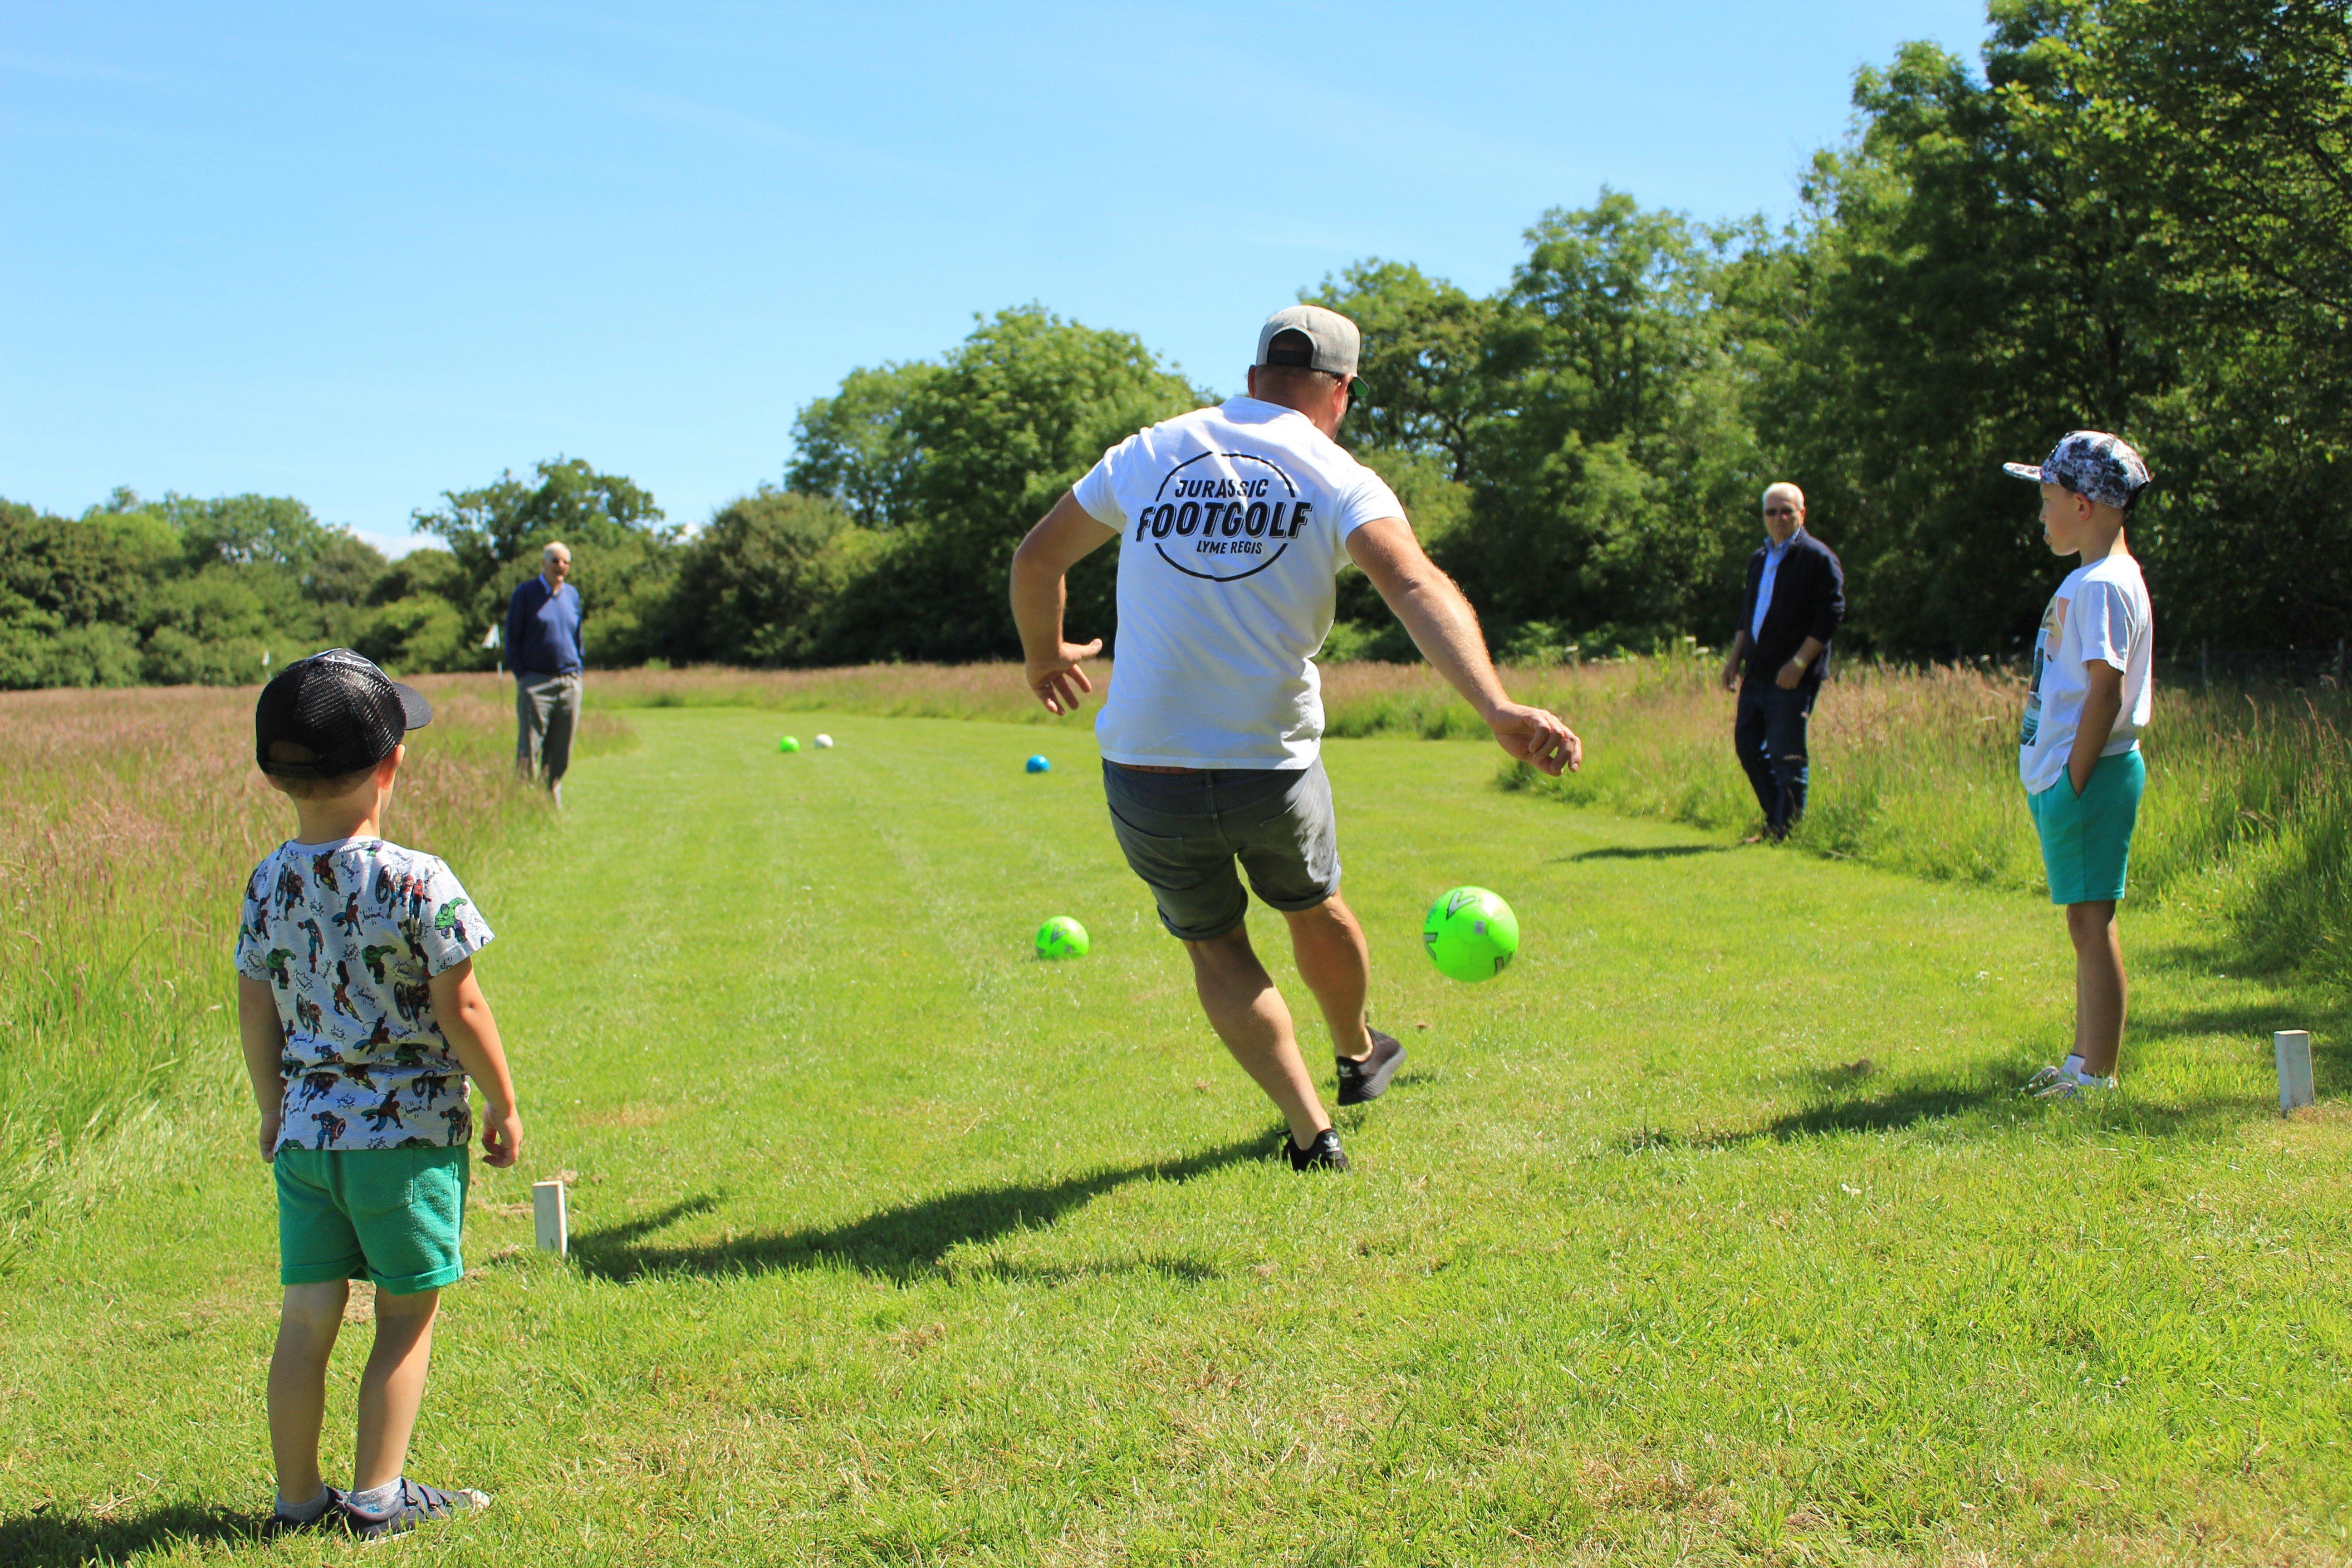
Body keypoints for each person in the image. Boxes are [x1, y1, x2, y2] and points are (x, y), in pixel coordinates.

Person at [1009, 305, 1582, 1172]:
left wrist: (1043, 655)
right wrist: (1496, 706)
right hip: (1267, 764)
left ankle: (1312, 1131)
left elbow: (1036, 558)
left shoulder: (1150, 450)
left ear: (1252, 380)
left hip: (1146, 763)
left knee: (1215, 946)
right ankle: (1356, 1051)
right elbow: (1413, 585)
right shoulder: (1335, 472)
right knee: (1313, 906)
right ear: (1341, 393)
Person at [234, 648, 524, 1539]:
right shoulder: (418, 878)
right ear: (392, 761)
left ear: (274, 772)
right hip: (406, 1145)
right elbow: (461, 1006)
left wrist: (273, 1107)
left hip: (308, 1141)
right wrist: (504, 1101)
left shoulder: (268, 880)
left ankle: (295, 1502)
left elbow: (255, 1003)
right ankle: (377, 1498)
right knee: (404, 1316)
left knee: (305, 1319)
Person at [2003, 431, 2155, 1099]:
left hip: (2090, 778)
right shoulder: (2092, 581)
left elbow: (2106, 690)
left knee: (2092, 925)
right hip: (2074, 778)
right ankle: (2078, 1061)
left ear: (2084, 506)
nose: (2041, 515)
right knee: (2082, 924)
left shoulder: (2104, 586)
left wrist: (2072, 782)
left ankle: (2098, 1077)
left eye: (2047, 500)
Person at [1719, 482, 1845, 840]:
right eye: (1771, 512)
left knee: (1786, 756)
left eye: (1787, 511)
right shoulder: (1760, 559)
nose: (1779, 518)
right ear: (1763, 517)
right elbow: (1748, 614)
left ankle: (1786, 833)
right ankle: (1777, 822)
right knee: (1748, 748)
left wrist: (1800, 663)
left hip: (1793, 677)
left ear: (1802, 514)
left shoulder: (1818, 558)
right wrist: (1734, 661)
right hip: (1757, 673)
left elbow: (1832, 615)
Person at [503, 541, 583, 806]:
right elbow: (512, 638)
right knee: (529, 747)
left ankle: (551, 796)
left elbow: (577, 636)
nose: (560, 566)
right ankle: (526, 801)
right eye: (555, 561)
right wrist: (522, 676)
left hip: (569, 681)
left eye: (565, 562)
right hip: (536, 681)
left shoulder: (572, 596)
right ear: (544, 563)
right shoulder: (526, 594)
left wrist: (578, 670)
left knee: (562, 748)